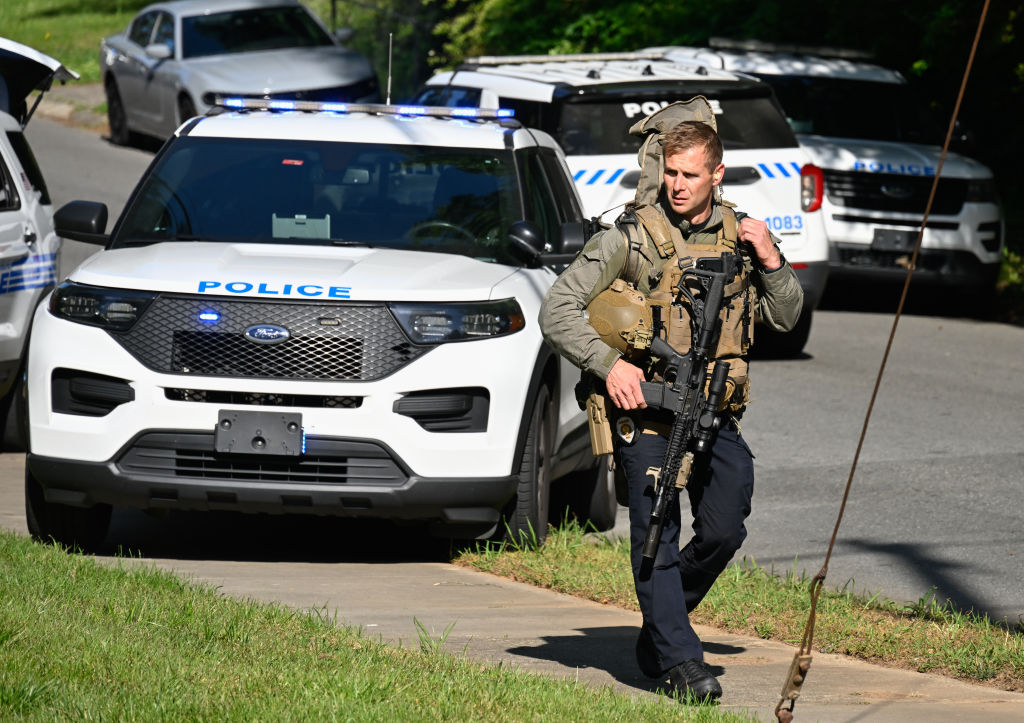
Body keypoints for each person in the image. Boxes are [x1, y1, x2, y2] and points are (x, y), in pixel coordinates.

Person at [539, 99, 803, 702]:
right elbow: (556, 309)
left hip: (713, 409)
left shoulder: (742, 235)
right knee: (656, 529)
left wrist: (772, 258)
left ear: (717, 175)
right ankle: (683, 662)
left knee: (725, 527)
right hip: (646, 410)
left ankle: (662, 627)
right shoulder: (629, 237)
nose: (679, 185)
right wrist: (610, 365)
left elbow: (787, 318)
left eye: (691, 174)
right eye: (672, 173)